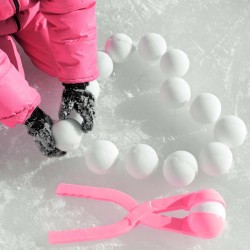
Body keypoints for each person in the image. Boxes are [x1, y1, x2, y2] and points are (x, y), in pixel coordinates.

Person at [0, 0, 99, 157]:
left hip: (28, 12)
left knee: (62, 61)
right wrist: (30, 115)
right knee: (13, 90)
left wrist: (78, 80)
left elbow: (72, 7)